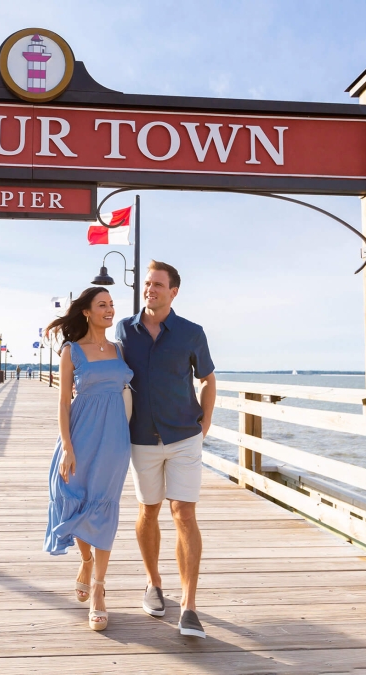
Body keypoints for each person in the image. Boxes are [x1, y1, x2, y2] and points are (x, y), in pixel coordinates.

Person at [115, 260, 216, 639]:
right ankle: (153, 583)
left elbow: (207, 379)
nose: (150, 290)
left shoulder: (192, 333)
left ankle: (189, 606)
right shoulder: (125, 329)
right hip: (141, 437)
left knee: (183, 513)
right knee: (149, 510)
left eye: (158, 284)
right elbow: (104, 360)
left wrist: (204, 424)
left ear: (174, 291)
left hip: (183, 437)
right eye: (147, 284)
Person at [44, 287, 133, 631]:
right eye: (102, 305)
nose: (110, 310)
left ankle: (99, 587)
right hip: (80, 433)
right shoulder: (72, 351)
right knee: (73, 496)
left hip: (114, 437)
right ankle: (85, 559)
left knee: (103, 503)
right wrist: (67, 446)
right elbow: (64, 401)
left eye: (111, 305)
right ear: (86, 311)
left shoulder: (120, 349)